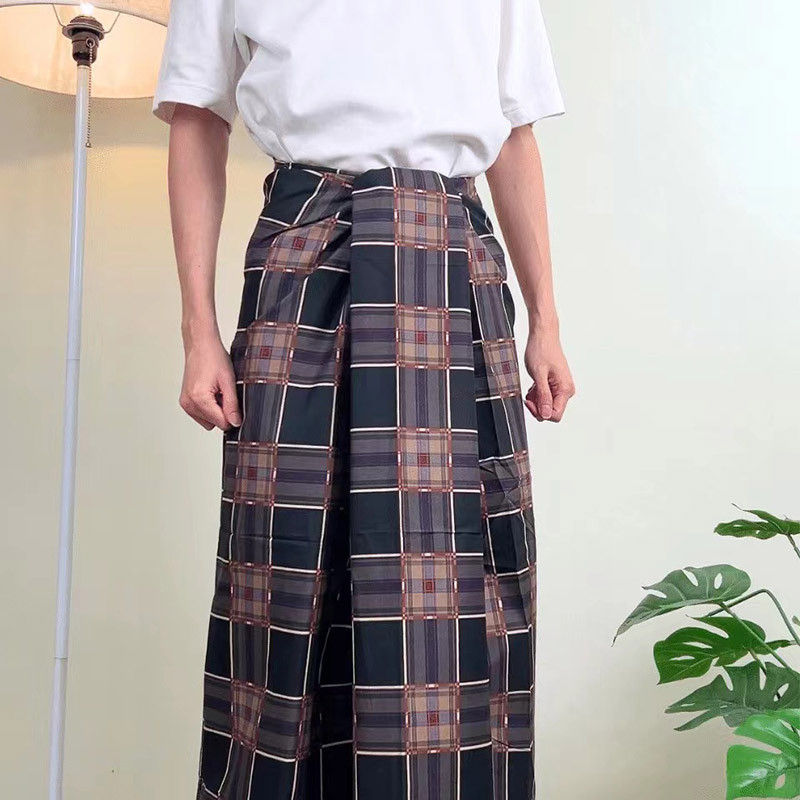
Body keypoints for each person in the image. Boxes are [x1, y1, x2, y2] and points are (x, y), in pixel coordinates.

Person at [152, 1, 575, 798]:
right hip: (305, 252)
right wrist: (197, 330)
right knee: (281, 570)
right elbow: (197, 118)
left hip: (452, 261)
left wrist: (545, 321)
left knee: (464, 578)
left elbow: (515, 135)